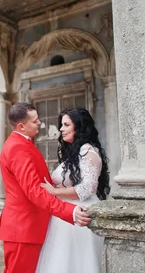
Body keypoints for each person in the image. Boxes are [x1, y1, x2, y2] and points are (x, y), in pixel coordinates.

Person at [0, 102, 92, 273]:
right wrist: (68, 211)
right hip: (23, 228)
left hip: (30, 227)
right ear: (21, 126)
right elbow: (33, 190)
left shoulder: (24, 143)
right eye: (35, 121)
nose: (39, 123)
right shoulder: (18, 147)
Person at [36, 106, 111, 273]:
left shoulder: (88, 150)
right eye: (61, 125)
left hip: (80, 214)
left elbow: (87, 188)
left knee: (79, 263)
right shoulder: (74, 153)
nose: (61, 129)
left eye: (66, 124)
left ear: (79, 125)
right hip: (64, 216)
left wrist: (54, 192)